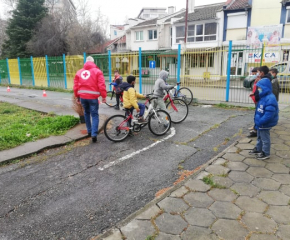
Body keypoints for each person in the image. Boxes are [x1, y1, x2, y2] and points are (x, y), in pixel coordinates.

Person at [73, 56, 107, 143]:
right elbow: (101, 85)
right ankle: (94, 134)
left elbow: (76, 86)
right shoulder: (97, 71)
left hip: (83, 98)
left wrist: (77, 96)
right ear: (93, 62)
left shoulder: (79, 72)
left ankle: (89, 131)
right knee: (95, 115)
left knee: (86, 114)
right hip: (93, 98)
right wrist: (104, 96)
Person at [248, 78, 279, 160]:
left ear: (265, 88)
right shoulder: (263, 97)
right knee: (259, 137)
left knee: (265, 139)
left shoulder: (270, 98)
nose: (259, 89)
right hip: (260, 123)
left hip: (264, 123)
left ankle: (266, 153)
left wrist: (261, 121)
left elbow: (269, 114)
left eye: (260, 88)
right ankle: (259, 149)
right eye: (258, 88)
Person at [248, 66, 272, 137]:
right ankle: (257, 130)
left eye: (258, 72)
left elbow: (262, 91)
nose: (257, 74)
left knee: (259, 115)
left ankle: (257, 131)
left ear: (262, 72)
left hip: (262, 101)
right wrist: (254, 93)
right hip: (260, 100)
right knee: (258, 115)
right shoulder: (264, 79)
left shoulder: (265, 80)